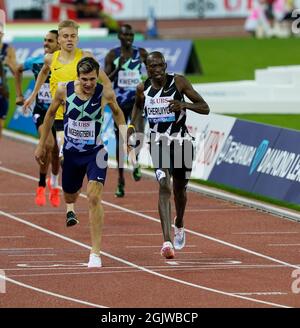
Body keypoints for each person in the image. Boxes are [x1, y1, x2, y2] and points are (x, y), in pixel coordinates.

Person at [34, 57, 126, 268]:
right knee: (71, 193)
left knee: (94, 197)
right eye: (84, 79)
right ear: (77, 77)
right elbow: (49, 115)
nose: (88, 84)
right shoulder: (63, 91)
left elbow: (119, 114)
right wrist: (41, 144)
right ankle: (69, 201)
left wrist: (127, 139)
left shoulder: (105, 93)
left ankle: (95, 253)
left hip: (96, 153)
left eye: (92, 79)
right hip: (72, 155)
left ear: (97, 76)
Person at [128, 52, 210, 259]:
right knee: (164, 186)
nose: (156, 69)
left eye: (159, 65)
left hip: (181, 142)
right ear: (146, 69)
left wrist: (184, 105)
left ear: (165, 65)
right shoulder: (142, 89)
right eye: (151, 66)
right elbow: (137, 109)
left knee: (179, 190)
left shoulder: (179, 82)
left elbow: (205, 108)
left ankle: (179, 222)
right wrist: (132, 127)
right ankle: (166, 241)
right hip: (157, 143)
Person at [24, 20, 113, 162]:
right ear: (59, 39)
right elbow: (43, 73)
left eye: (73, 36)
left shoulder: (86, 57)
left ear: (77, 38)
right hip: (59, 117)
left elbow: (106, 83)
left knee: (83, 160)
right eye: (65, 36)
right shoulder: (50, 58)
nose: (69, 39)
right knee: (64, 157)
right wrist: (33, 95)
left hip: (81, 118)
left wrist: (101, 104)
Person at [15, 30, 61, 207]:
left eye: (50, 41)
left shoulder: (63, 64)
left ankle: (54, 184)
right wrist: (19, 95)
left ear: (59, 44)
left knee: (57, 151)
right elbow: (18, 69)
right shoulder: (35, 62)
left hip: (59, 112)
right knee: (48, 145)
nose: (46, 43)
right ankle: (41, 185)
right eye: (44, 40)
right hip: (41, 111)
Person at [105, 24, 148, 197]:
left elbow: (152, 70)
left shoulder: (141, 53)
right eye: (126, 35)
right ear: (119, 37)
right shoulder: (113, 55)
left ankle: (135, 162)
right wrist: (118, 68)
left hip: (136, 100)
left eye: (131, 34)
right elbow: (105, 80)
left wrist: (148, 83)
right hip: (119, 102)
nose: (129, 37)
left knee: (137, 132)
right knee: (121, 139)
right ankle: (121, 179)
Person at [0, 21, 16, 139]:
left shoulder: (8, 49)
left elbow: (16, 72)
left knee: (0, 125)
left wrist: (8, 63)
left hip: (2, 90)